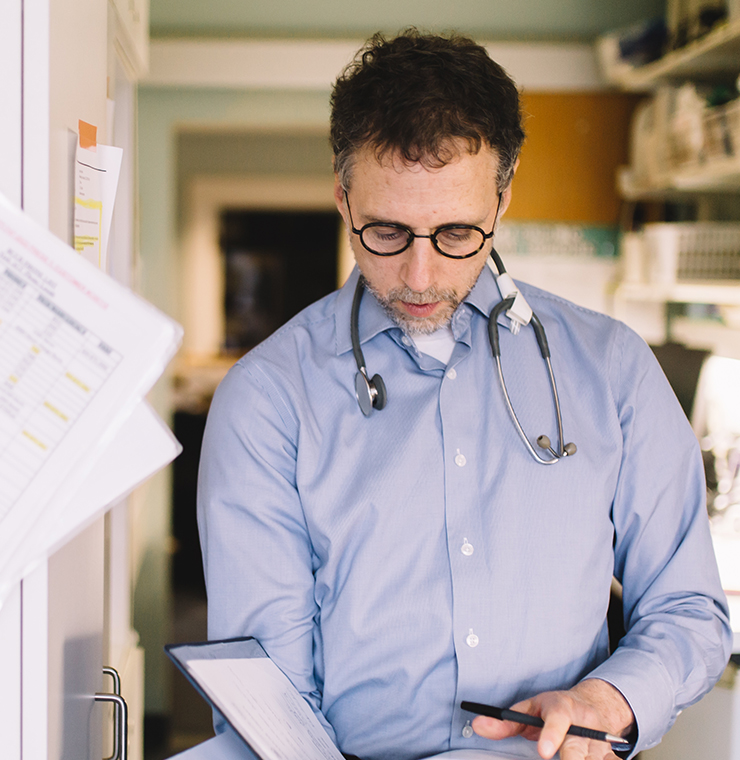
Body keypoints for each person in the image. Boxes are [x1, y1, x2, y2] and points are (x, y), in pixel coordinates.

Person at [197, 30, 732, 760]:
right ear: (341, 192)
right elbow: (274, 700)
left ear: (502, 197)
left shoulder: (612, 370)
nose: (419, 276)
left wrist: (611, 699)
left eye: (455, 233)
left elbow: (689, 609)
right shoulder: (266, 401)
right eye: (385, 232)